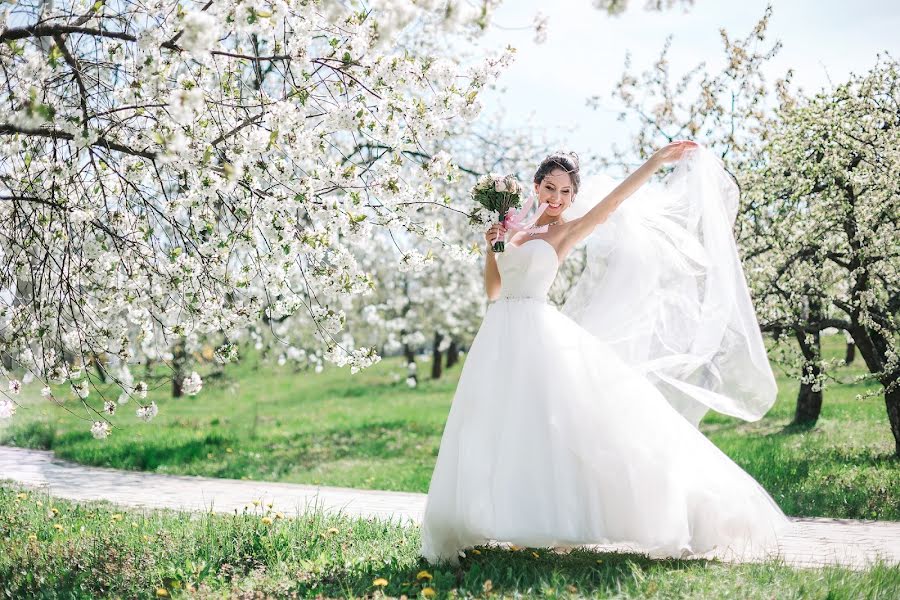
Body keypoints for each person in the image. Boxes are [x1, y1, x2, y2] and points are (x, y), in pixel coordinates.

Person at [419, 141, 792, 566]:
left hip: (538, 331)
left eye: (565, 193)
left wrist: (653, 163)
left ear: (573, 198)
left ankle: (577, 519)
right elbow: (494, 290)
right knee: (495, 423)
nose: (556, 199)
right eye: (549, 188)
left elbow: (613, 203)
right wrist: (494, 244)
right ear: (535, 186)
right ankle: (491, 516)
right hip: (499, 334)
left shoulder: (565, 231)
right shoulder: (511, 231)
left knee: (566, 424)